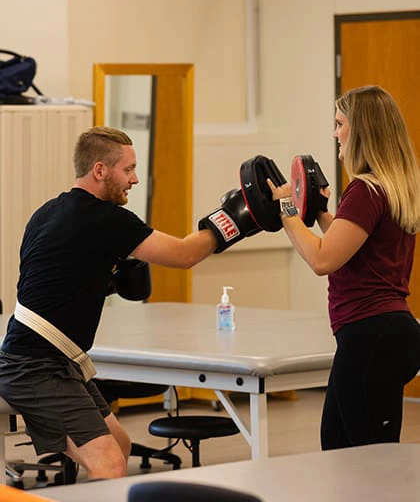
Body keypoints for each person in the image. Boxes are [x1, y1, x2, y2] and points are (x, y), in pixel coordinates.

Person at [0, 126, 255, 481]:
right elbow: (184, 254)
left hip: (53, 360)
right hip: (33, 368)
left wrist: (103, 282)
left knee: (119, 446)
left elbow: (47, 278)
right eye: (128, 169)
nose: (135, 179)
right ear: (100, 170)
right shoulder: (107, 219)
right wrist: (234, 220)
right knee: (110, 463)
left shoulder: (46, 213)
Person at [267, 85, 420, 450]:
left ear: (361, 130)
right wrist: (319, 212)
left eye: (340, 124)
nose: (335, 133)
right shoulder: (390, 187)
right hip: (379, 334)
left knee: (372, 461)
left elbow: (323, 259)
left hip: (373, 337)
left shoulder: (365, 190)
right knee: (337, 447)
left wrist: (286, 210)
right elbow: (350, 245)